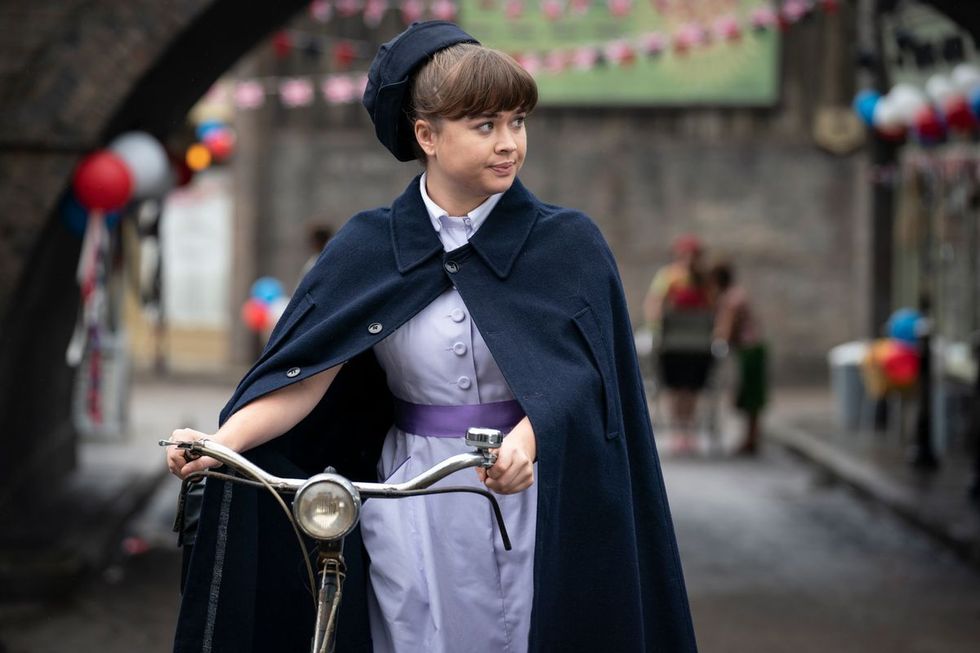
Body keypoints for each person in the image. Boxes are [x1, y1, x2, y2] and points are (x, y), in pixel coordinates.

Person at [165, 21, 697, 653]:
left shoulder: (568, 245)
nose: (509, 145)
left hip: (531, 498)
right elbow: (303, 380)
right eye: (484, 126)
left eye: (517, 122)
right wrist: (220, 446)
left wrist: (528, 442)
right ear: (427, 136)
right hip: (408, 497)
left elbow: (586, 382)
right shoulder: (368, 247)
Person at [643, 234, 714, 451]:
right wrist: (656, 329)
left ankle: (689, 431)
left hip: (698, 345)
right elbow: (654, 303)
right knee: (674, 388)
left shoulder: (704, 279)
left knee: (692, 389)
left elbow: (713, 305)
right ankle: (677, 431)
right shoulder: (669, 276)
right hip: (673, 343)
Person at [708, 259, 768, 455]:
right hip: (755, 348)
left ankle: (750, 440)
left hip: (749, 351)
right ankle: (751, 439)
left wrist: (716, 336)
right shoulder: (737, 294)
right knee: (751, 397)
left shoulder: (730, 299)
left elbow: (726, 328)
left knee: (750, 396)